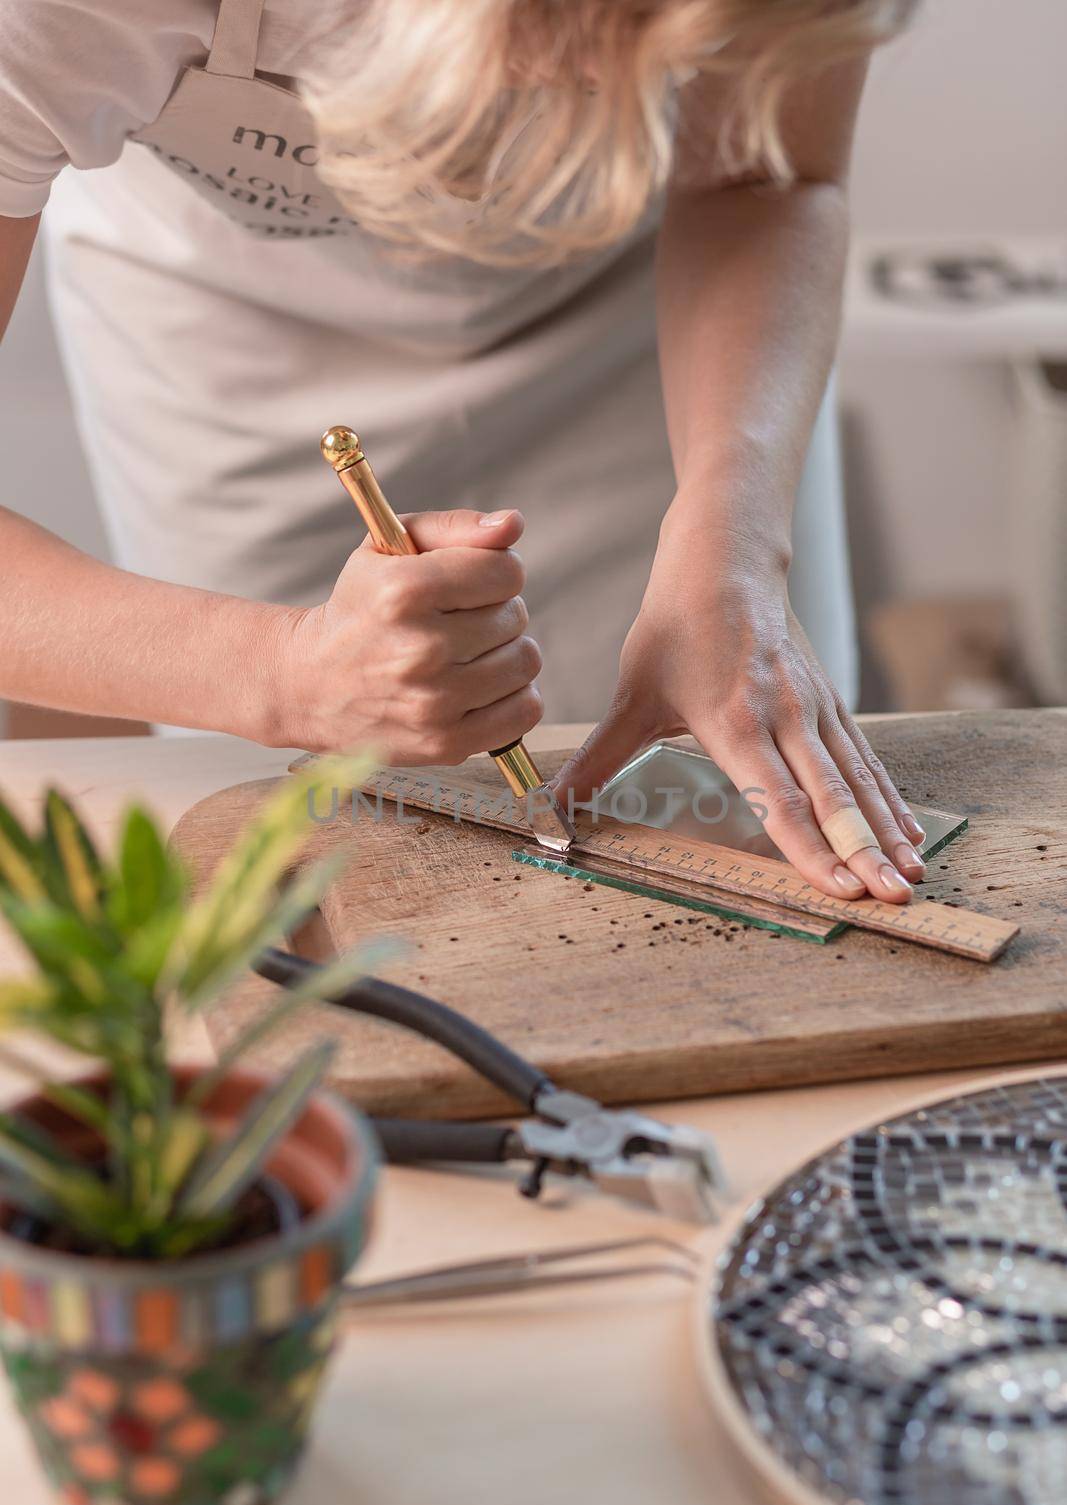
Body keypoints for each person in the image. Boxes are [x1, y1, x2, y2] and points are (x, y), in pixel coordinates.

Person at [0, 0, 926, 903]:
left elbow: (760, 176)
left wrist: (734, 534)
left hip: (644, 314)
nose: (593, 100)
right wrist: (282, 672)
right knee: (296, 887)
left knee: (762, 796)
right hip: (228, 331)